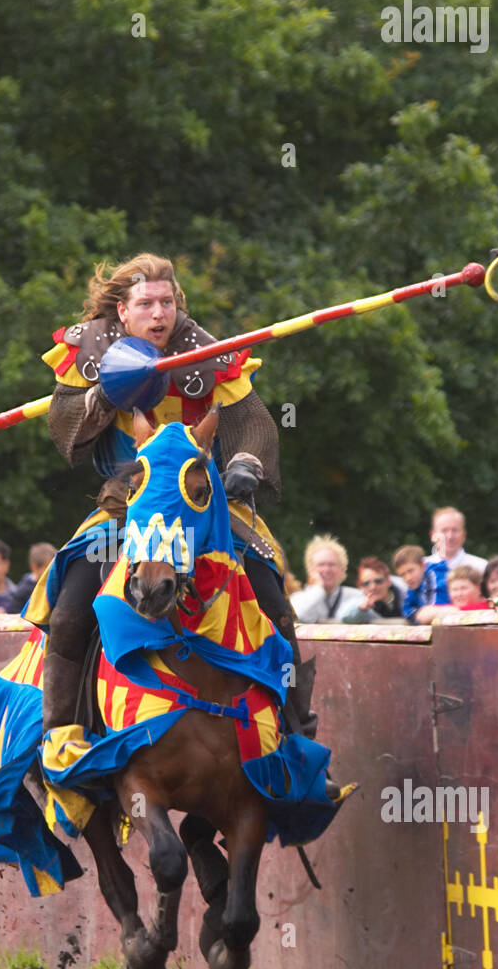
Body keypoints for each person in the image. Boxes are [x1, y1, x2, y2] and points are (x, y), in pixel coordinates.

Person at [36, 252, 316, 747]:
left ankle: (297, 736)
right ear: (122, 311)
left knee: (272, 599)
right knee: (69, 609)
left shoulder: (204, 353)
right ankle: (61, 735)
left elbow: (252, 421)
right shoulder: (90, 353)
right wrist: (103, 397)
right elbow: (65, 429)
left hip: (203, 501)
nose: (159, 314)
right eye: (146, 303)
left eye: (167, 302)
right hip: (129, 503)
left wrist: (245, 463)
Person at [291, 536, 363, 623]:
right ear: (310, 569)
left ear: (342, 569)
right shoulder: (298, 598)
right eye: (321, 565)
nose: (327, 570)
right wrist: (318, 590)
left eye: (332, 564)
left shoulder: (357, 596)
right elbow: (298, 616)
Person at [425, 508, 486, 603]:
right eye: (444, 530)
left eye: (455, 530)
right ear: (433, 535)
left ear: (463, 535)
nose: (450, 536)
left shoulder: (481, 567)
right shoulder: (422, 568)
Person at [342, 557, 405, 623]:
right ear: (361, 587)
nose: (373, 587)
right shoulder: (359, 603)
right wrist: (361, 610)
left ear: (388, 581)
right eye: (366, 583)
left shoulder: (405, 595)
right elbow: (344, 618)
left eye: (378, 581)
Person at [9, 542, 57, 614]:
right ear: (34, 567)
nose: (52, 572)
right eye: (48, 569)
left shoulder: (54, 585)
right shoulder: (23, 592)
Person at [393, 543, 436, 619]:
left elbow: (433, 607)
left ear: (423, 566)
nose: (408, 578)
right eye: (403, 574)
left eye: (411, 571)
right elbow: (406, 610)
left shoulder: (435, 577)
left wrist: (420, 615)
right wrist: (418, 615)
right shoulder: (412, 589)